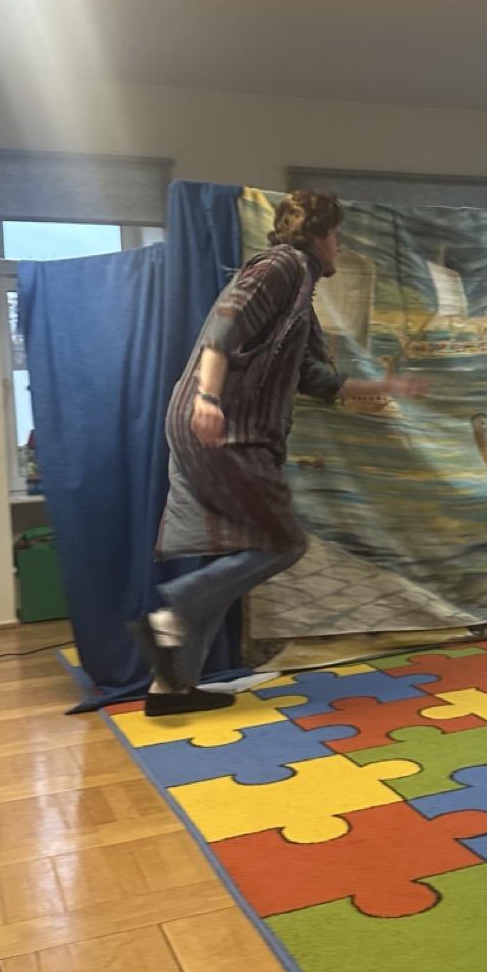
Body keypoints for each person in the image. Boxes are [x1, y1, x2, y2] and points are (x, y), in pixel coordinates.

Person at [135, 190, 425, 716]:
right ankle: (174, 613)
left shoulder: (301, 297)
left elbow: (317, 379)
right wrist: (208, 398)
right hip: (224, 428)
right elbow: (225, 326)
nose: (339, 247)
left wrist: (388, 386)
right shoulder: (281, 266)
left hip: (223, 427)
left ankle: (170, 689)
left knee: (243, 553)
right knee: (284, 543)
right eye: (335, 236)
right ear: (317, 235)